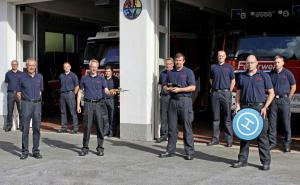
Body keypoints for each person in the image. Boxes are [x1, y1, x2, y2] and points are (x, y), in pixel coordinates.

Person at [232, 55, 275, 170]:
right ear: (245, 64)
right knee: (244, 136)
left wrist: (265, 107)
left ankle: (265, 162)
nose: (249, 65)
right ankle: (242, 160)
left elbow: (271, 93)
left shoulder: (264, 76)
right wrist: (238, 105)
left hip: (259, 108)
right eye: (248, 63)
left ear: (256, 63)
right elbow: (238, 92)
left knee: (262, 136)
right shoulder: (241, 76)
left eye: (252, 63)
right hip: (245, 108)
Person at [159, 53, 196, 160]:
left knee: (187, 127)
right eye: (176, 60)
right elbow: (165, 86)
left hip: (185, 101)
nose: (178, 62)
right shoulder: (171, 73)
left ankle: (189, 152)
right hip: (173, 101)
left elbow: (193, 87)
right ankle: (170, 150)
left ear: (183, 61)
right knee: (172, 128)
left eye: (180, 60)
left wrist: (180, 89)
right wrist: (168, 89)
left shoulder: (189, 72)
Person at [77, 59, 110, 156]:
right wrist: (78, 105)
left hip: (99, 105)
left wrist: (111, 92)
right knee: (87, 127)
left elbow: (106, 90)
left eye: (95, 67)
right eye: (92, 67)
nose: (94, 68)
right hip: (88, 105)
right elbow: (80, 92)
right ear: (89, 67)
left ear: (97, 68)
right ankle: (85, 148)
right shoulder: (84, 78)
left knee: (100, 127)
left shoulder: (101, 79)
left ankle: (100, 148)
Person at [16, 58, 44, 160]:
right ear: (26, 66)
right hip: (26, 104)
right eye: (29, 65)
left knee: (37, 129)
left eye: (33, 65)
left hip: (37, 105)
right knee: (25, 129)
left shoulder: (40, 77)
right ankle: (24, 151)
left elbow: (40, 91)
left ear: (35, 66)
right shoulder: (21, 77)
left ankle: (36, 151)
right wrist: (22, 104)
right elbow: (18, 93)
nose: (31, 67)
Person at [268, 55, 296, 152]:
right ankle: (272, 143)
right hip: (273, 101)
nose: (276, 64)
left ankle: (287, 143)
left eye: (278, 62)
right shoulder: (271, 74)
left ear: (283, 63)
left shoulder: (288, 73)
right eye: (275, 62)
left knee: (286, 123)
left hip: (284, 100)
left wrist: (289, 98)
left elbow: (293, 86)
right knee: (272, 123)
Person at [208, 50, 235, 147]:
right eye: (219, 56)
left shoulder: (229, 67)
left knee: (227, 117)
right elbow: (211, 79)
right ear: (217, 56)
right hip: (215, 93)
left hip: (226, 93)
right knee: (215, 117)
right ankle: (215, 139)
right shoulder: (213, 67)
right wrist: (215, 88)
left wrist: (229, 91)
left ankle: (229, 140)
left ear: (225, 56)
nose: (220, 57)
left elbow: (233, 80)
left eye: (222, 56)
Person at [57, 62, 79, 134]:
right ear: (63, 68)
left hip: (70, 93)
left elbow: (77, 86)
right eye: (65, 67)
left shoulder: (73, 75)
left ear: (70, 67)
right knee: (63, 111)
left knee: (72, 111)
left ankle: (75, 128)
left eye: (67, 66)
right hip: (62, 94)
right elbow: (60, 84)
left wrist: (73, 94)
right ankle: (64, 127)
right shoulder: (61, 76)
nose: (66, 68)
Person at [156, 57, 174, 143]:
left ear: (173, 64)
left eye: (170, 64)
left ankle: (172, 135)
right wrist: (160, 94)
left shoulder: (175, 73)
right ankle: (163, 135)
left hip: (173, 98)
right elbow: (159, 85)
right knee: (163, 117)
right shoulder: (162, 73)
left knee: (173, 117)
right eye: (166, 64)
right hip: (164, 97)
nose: (168, 65)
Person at [4, 60, 23, 132]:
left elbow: (23, 83)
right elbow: (6, 83)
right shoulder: (8, 74)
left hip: (19, 94)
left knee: (21, 110)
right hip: (11, 94)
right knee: (10, 110)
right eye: (13, 64)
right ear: (11, 65)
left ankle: (22, 126)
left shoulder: (21, 74)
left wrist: (20, 92)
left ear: (17, 65)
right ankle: (9, 126)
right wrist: (11, 89)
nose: (14, 65)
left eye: (15, 64)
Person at [103, 65, 119, 137]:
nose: (107, 73)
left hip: (112, 100)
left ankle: (112, 132)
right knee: (105, 117)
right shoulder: (103, 79)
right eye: (106, 71)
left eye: (109, 71)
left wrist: (114, 91)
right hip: (104, 100)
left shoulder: (116, 79)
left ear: (112, 72)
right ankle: (106, 131)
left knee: (112, 116)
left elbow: (118, 90)